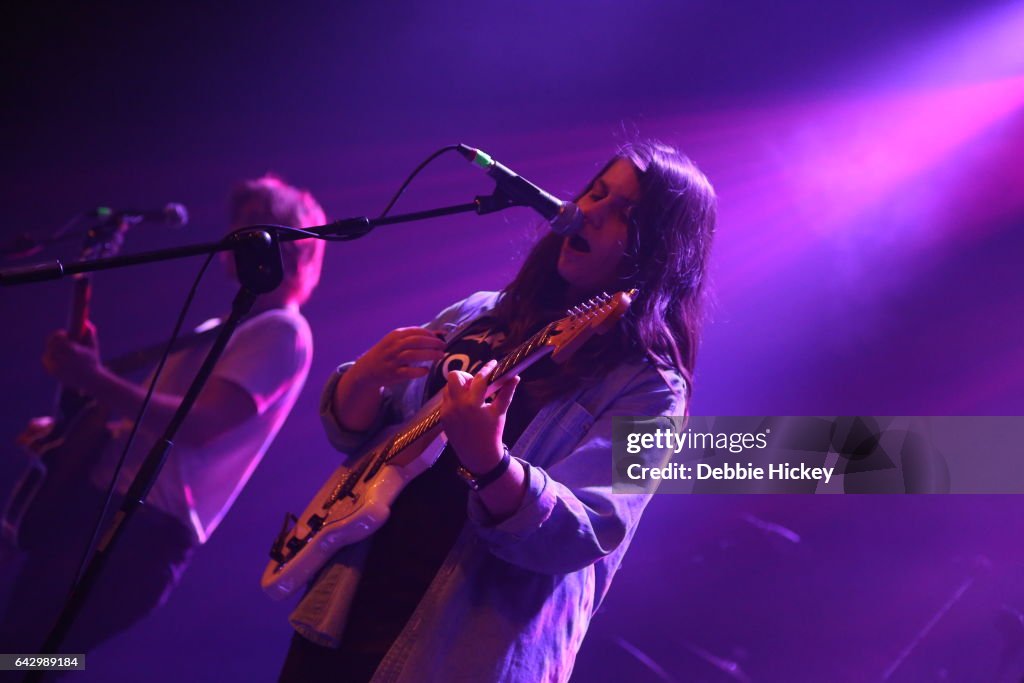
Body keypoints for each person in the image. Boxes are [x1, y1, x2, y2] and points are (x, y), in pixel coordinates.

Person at [278, 140, 717, 683]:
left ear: (657, 251)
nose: (586, 212)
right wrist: (362, 378)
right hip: (348, 605)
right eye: (594, 192)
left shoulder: (651, 388)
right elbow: (360, 438)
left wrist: (488, 462)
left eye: (622, 213)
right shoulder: (479, 311)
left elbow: (589, 529)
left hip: (460, 653)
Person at [0, 175, 325, 656]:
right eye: (238, 223)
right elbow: (143, 425)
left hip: (140, 531)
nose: (235, 236)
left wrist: (92, 378)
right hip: (108, 510)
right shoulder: (222, 327)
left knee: (28, 654)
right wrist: (69, 431)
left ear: (290, 246)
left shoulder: (283, 331)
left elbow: (197, 426)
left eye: (255, 224)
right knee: (25, 649)